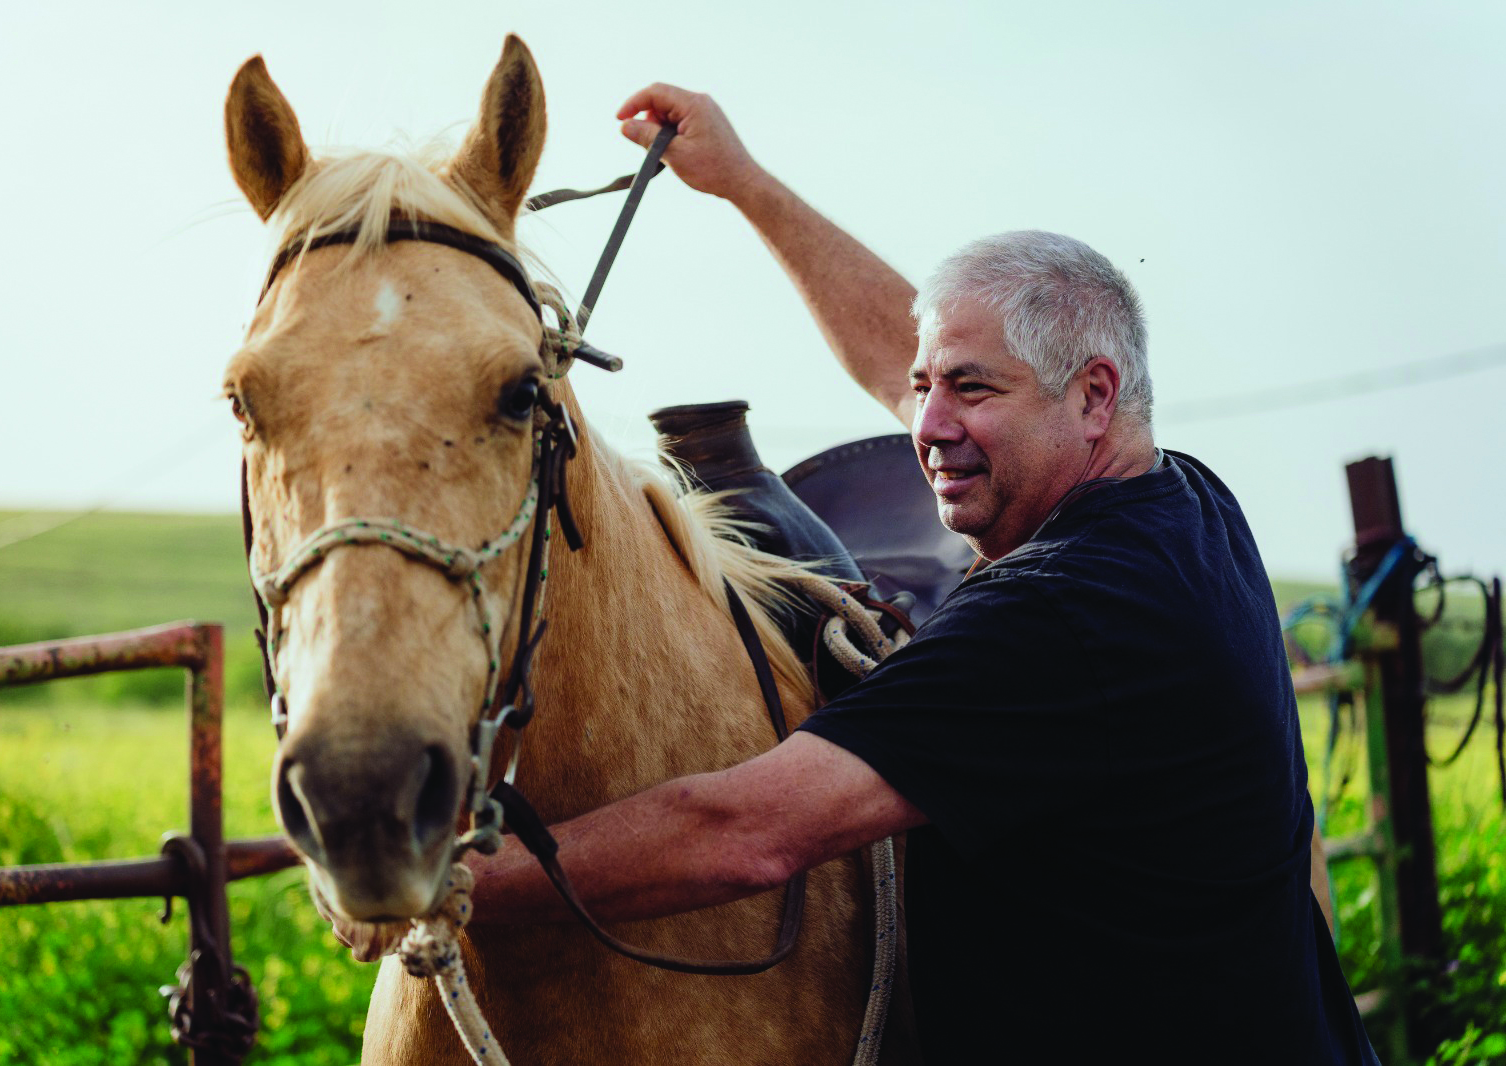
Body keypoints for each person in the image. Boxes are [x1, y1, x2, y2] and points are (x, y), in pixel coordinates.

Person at [465, 84, 1380, 1063]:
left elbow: (741, 831)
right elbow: (903, 356)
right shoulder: (1183, 501)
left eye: (970, 389)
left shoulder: (1064, 617)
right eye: (925, 385)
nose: (928, 425)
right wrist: (743, 183)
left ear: (1093, 396)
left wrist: (448, 886)